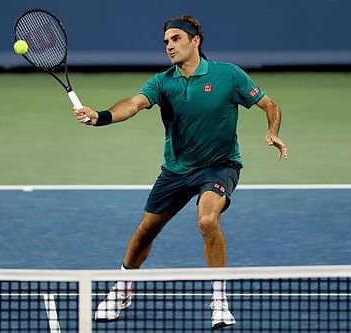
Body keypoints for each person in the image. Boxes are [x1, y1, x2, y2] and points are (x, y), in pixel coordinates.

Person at [74, 15, 288, 329]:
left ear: (195, 41)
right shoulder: (163, 82)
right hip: (176, 170)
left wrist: (272, 130)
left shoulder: (229, 75)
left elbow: (271, 104)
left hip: (220, 165)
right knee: (144, 232)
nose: (169, 46)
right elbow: (132, 104)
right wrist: (102, 116)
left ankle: (219, 299)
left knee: (207, 219)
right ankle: (123, 286)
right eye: (166, 42)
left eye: (176, 39)